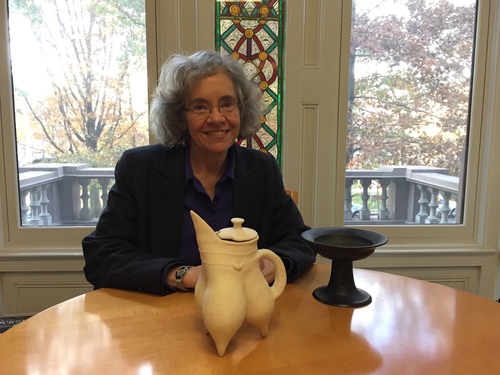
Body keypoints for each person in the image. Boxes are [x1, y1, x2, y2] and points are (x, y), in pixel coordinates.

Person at [82, 50, 315, 295]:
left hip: (244, 313)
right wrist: (182, 274)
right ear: (179, 117)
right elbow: (102, 254)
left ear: (241, 109)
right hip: (159, 316)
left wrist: (273, 264)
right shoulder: (140, 169)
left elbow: (300, 239)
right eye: (200, 107)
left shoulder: (262, 169)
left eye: (227, 104)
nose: (217, 118)